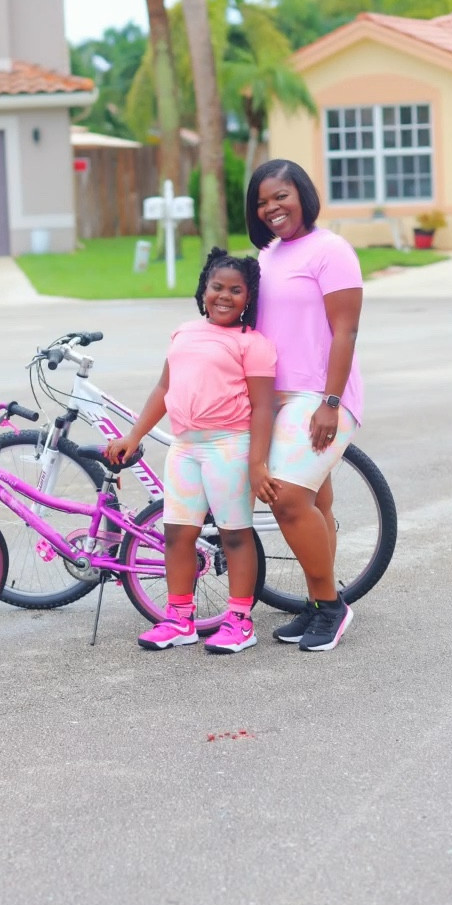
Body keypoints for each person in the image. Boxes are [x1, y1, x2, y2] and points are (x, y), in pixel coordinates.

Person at [104, 247, 277, 655]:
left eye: (236, 290)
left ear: (248, 299)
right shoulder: (183, 333)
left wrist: (257, 463)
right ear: (203, 290)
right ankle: (179, 618)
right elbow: (164, 389)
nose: (224, 296)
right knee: (177, 534)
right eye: (217, 286)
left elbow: (263, 407)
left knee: (234, 535)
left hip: (228, 446)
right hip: (185, 447)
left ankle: (239, 620)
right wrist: (134, 435)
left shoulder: (253, 345)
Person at [246, 158, 364, 653]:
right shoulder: (269, 256)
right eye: (262, 202)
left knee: (289, 499)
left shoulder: (331, 250)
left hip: (320, 397)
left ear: (303, 196)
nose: (272, 207)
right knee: (315, 501)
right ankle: (319, 606)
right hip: (278, 399)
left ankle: (331, 607)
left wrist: (330, 403)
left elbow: (346, 330)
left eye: (281, 196)